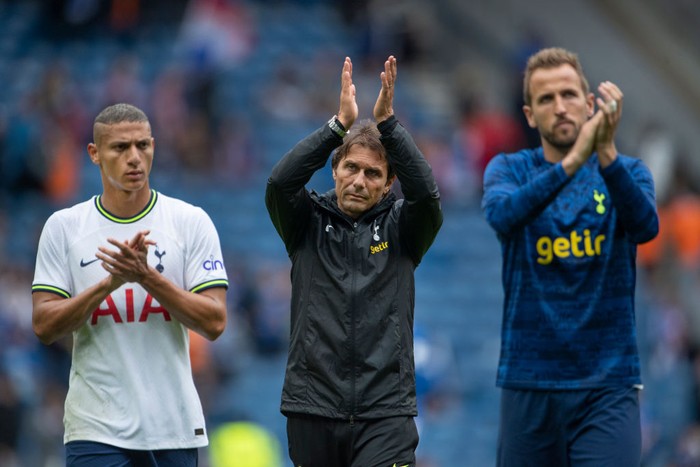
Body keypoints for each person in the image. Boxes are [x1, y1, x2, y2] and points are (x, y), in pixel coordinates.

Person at [482, 47, 659, 466]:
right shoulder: (508, 170)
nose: (560, 107)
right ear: (529, 114)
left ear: (591, 103)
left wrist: (606, 156)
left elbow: (645, 227)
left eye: (569, 95)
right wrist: (575, 160)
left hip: (607, 386)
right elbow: (503, 216)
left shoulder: (628, 172)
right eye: (546, 99)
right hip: (528, 383)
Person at [265, 55, 442, 467]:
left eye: (374, 174)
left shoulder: (404, 230)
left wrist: (389, 126)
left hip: (386, 414)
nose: (360, 181)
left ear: (388, 184)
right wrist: (337, 127)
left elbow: (428, 197)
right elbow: (279, 182)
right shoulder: (305, 221)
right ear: (335, 169)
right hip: (313, 410)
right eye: (351, 168)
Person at [31, 103, 228, 466]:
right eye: (120, 148)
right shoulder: (64, 228)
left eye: (143, 146)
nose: (134, 157)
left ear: (154, 145)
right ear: (94, 153)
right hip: (95, 428)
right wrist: (108, 285)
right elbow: (44, 325)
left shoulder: (190, 222)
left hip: (173, 426)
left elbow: (215, 321)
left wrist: (146, 278)